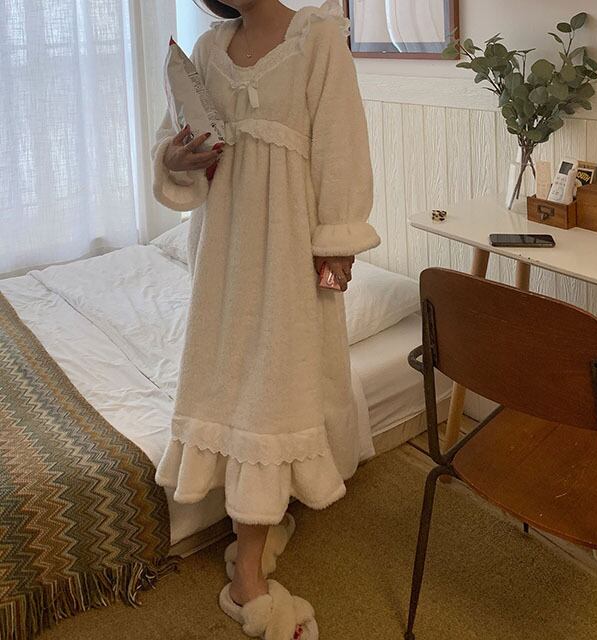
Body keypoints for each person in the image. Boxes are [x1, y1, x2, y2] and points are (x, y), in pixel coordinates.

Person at [151, 1, 380, 637]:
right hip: (223, 256)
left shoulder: (318, 39)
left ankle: (248, 563)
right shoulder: (207, 50)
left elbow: (342, 151)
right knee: (230, 385)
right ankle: (250, 565)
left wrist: (335, 252)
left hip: (288, 258)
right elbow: (176, 143)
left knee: (272, 394)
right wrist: (176, 159)